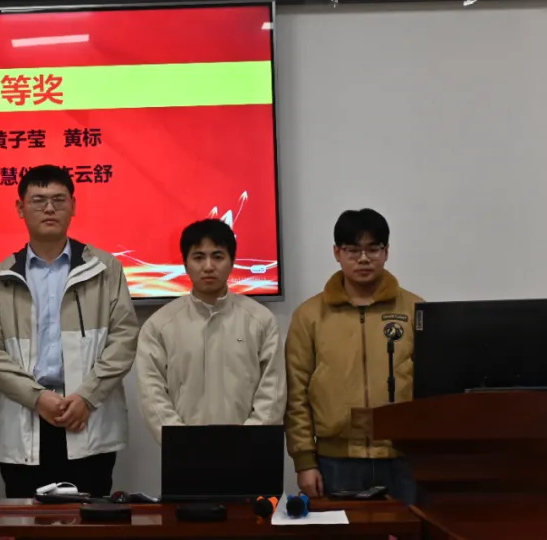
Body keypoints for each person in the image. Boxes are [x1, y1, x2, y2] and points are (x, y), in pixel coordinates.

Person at [0, 164, 139, 499]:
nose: (49, 208)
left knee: (91, 518)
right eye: (38, 200)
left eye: (59, 200)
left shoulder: (105, 269)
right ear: (20, 208)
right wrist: (38, 398)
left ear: (73, 206)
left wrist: (86, 396)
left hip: (86, 416)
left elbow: (124, 339)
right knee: (26, 519)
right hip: (26, 417)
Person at [285, 208, 424, 504]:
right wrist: (304, 461)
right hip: (336, 460)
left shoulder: (415, 310)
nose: (363, 258)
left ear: (386, 252)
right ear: (337, 252)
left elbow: (433, 386)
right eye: (352, 250)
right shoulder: (309, 315)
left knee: (409, 528)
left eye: (373, 249)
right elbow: (296, 394)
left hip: (403, 457)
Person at [136, 219, 285, 443]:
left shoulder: (261, 321)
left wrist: (248, 440)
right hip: (184, 452)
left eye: (217, 256)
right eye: (198, 257)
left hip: (249, 450)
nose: (208, 266)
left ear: (232, 261)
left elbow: (273, 392)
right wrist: (182, 441)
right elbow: (152, 396)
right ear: (185, 264)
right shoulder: (159, 326)